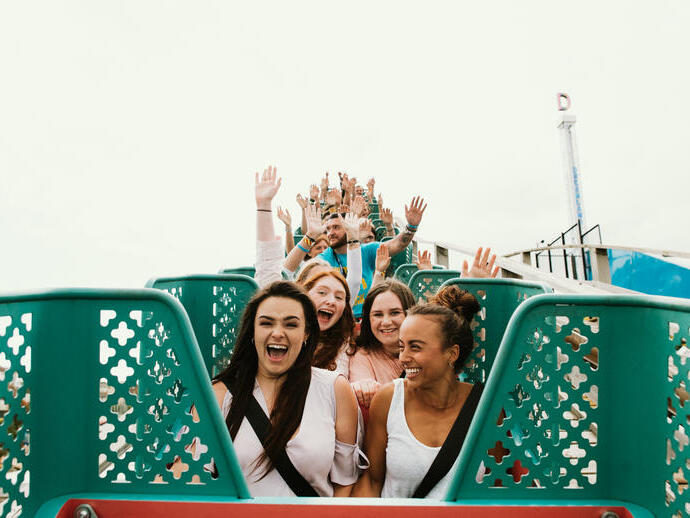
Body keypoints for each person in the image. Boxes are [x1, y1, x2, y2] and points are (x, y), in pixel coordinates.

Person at [211, 281, 364, 497]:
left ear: (307, 334)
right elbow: (194, 476)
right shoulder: (218, 395)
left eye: (291, 325)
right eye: (266, 323)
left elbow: (346, 482)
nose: (277, 333)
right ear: (252, 332)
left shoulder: (335, 389)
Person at [353, 302, 482, 499]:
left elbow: (505, 484)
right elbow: (371, 481)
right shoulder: (389, 400)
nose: (403, 357)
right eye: (402, 346)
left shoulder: (486, 407)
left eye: (415, 347)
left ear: (452, 353)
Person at [319, 196, 427, 319]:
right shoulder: (324, 258)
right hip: (339, 317)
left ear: (349, 226)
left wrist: (411, 227)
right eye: (328, 229)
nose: (330, 233)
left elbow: (399, 244)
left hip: (367, 316)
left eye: (336, 227)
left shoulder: (367, 250)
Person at [348, 280, 415, 408]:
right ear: (368, 320)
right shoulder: (362, 357)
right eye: (378, 315)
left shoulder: (425, 350)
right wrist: (364, 386)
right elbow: (361, 381)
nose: (386, 322)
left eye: (395, 313)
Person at [301, 270, 356, 378]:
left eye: (339, 297)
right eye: (322, 293)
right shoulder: (285, 333)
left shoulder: (344, 345)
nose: (331, 301)